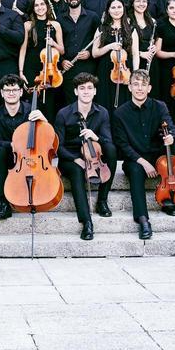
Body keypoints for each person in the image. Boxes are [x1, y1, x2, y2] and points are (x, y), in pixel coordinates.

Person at [111, 70, 175, 238]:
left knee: (173, 153)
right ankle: (143, 219)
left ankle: (168, 198)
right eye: (136, 84)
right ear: (130, 87)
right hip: (135, 158)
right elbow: (122, 145)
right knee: (135, 171)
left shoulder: (159, 106)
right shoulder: (120, 113)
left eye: (143, 85)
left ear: (149, 88)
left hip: (156, 154)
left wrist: (171, 136)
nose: (140, 88)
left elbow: (170, 126)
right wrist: (143, 162)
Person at [55, 73, 115, 240]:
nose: (86, 92)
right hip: (70, 158)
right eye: (82, 88)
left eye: (89, 88)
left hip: (93, 154)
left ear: (95, 91)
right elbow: (57, 147)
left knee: (111, 149)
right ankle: (86, 222)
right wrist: (76, 159)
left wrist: (95, 136)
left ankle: (102, 200)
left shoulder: (102, 113)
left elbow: (107, 140)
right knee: (76, 172)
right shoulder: (63, 114)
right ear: (76, 92)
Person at [0, 75, 47, 220]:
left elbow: (47, 137)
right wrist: (11, 145)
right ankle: (4, 203)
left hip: (31, 157)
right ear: (2, 93)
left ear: (21, 92)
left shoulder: (31, 111)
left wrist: (44, 120)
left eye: (15, 89)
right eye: (7, 90)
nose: (11, 93)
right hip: (8, 158)